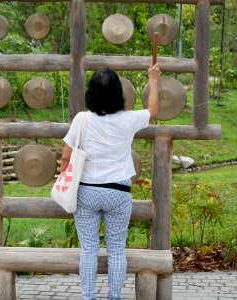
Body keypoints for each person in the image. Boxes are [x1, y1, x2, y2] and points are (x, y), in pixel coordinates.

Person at [61, 62, 161, 300]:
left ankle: (88, 297)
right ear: (119, 92)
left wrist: (65, 181)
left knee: (88, 249)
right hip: (118, 193)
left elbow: (66, 157)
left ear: (91, 93)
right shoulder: (129, 119)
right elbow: (154, 110)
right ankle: (114, 297)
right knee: (117, 250)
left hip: (86, 192)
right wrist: (153, 80)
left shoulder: (82, 119)